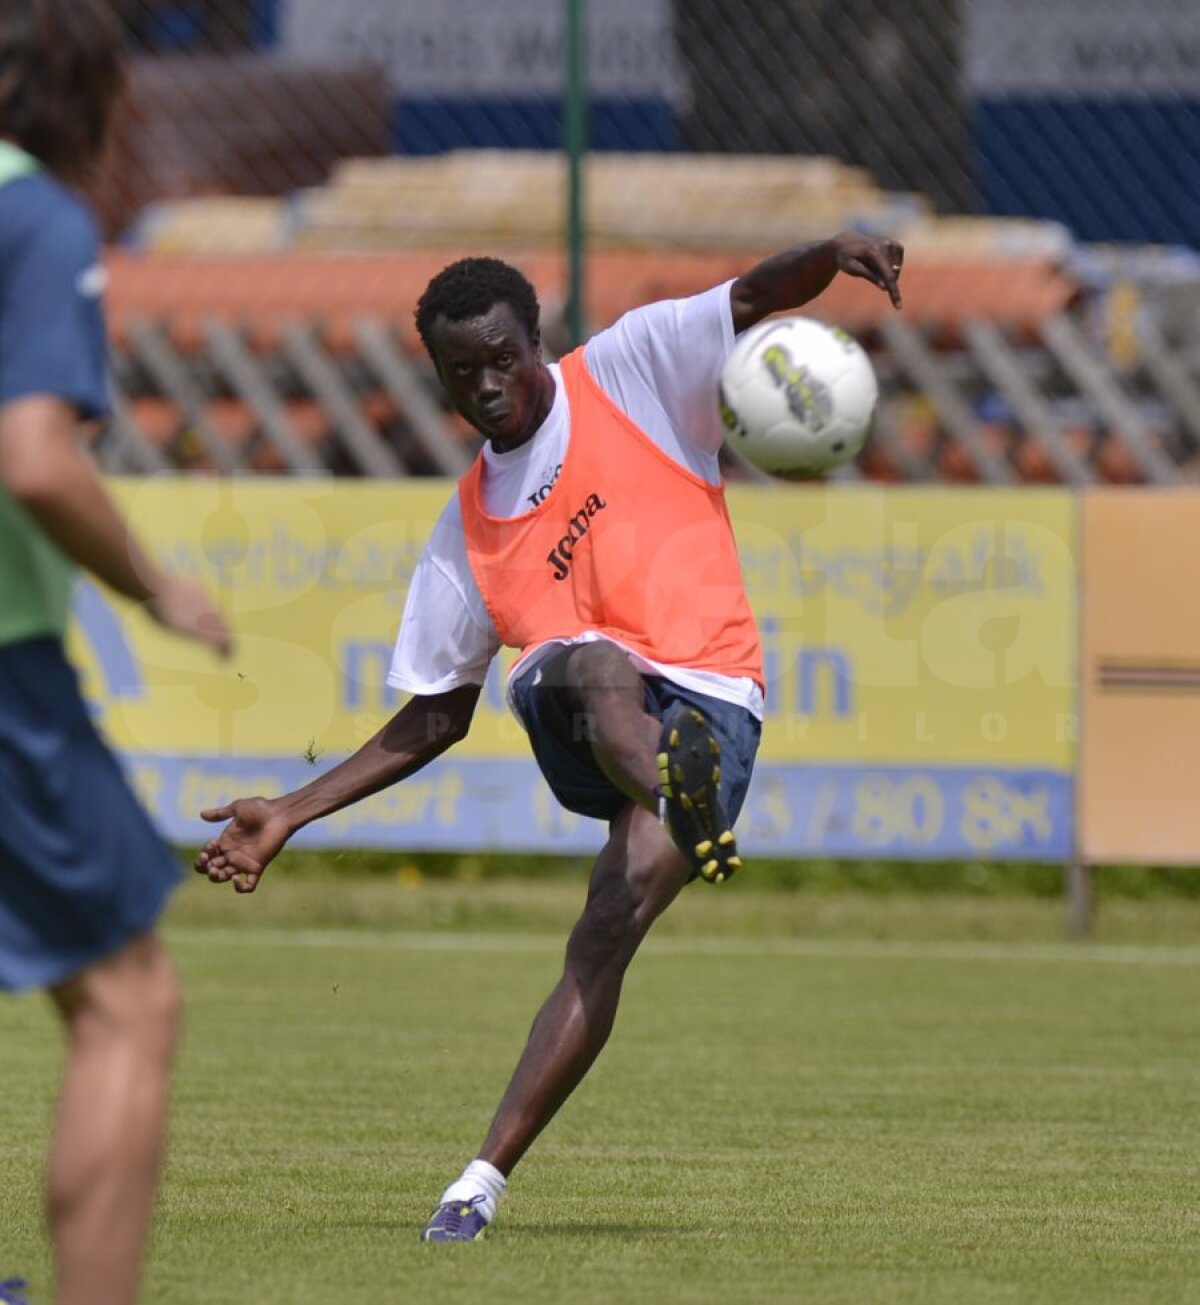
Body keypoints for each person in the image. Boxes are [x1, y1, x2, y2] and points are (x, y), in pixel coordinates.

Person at [195, 231, 903, 1241]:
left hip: (716, 702)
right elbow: (439, 713)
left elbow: (751, 296)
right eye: (459, 372)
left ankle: (477, 1182)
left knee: (602, 937)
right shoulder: (468, 531)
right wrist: (292, 814)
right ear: (436, 376)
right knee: (581, 659)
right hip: (596, 717)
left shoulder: (630, 368)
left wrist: (832, 252)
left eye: (501, 358)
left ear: (538, 341)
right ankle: (676, 793)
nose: (485, 385)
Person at [0, 3, 232, 1302]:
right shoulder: (30, 216)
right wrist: (154, 586)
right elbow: (33, 455)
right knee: (128, 1005)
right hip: (4, 659)